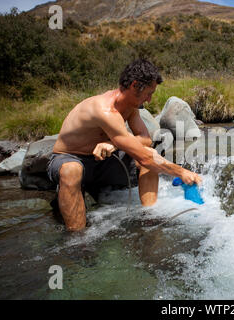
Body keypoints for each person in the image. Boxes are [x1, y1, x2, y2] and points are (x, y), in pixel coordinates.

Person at [47, 59, 202, 231]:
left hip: (104, 162)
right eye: (148, 93)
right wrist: (181, 172)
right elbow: (144, 158)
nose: (149, 100)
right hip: (70, 157)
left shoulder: (130, 107)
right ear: (135, 85)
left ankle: (149, 218)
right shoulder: (105, 110)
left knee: (149, 152)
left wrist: (113, 144)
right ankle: (78, 239)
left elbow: (145, 139)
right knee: (71, 170)